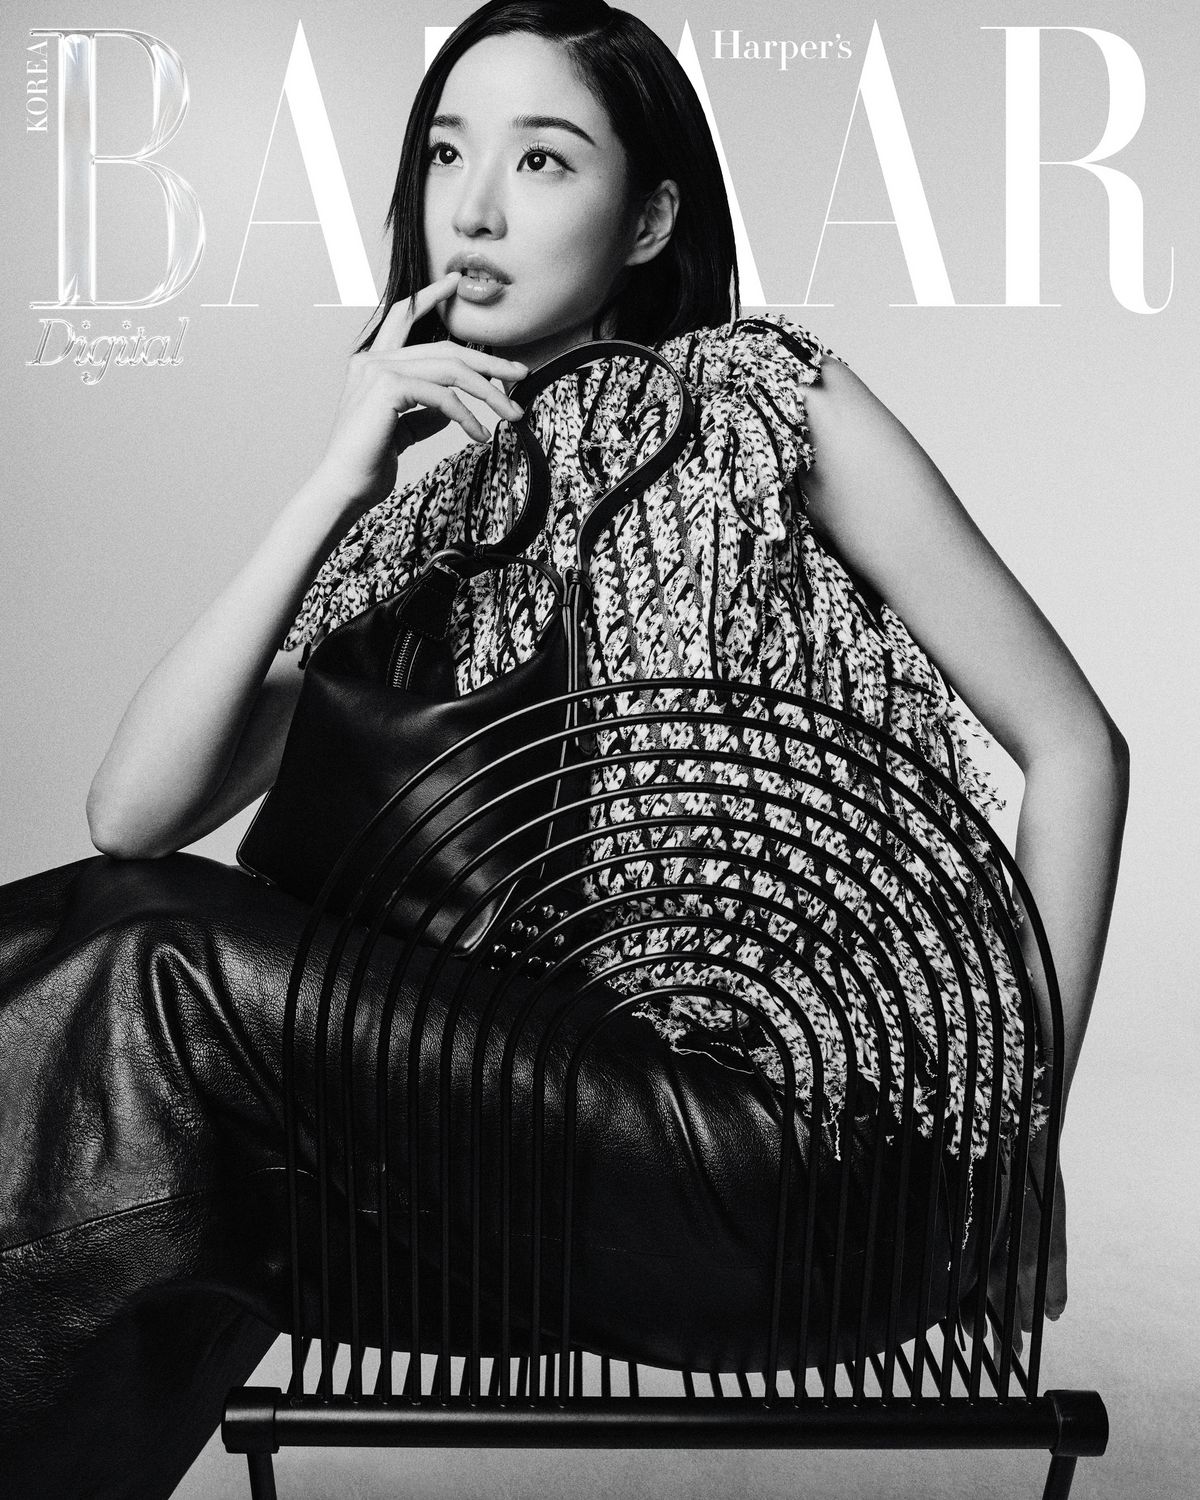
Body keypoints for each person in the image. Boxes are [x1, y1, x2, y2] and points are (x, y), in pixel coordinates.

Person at [0, 2, 1128, 1496]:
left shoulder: (758, 394)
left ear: (649, 218)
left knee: (150, 958)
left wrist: (1015, 1148)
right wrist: (334, 482)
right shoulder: (418, 521)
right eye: (446, 153)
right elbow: (133, 813)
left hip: (790, 1158)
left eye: (542, 160)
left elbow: (1076, 745)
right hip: (549, 1157)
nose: (472, 207)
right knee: (119, 998)